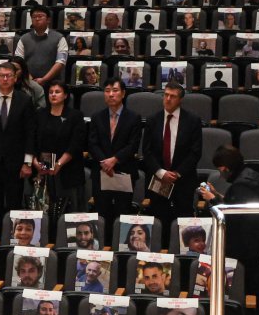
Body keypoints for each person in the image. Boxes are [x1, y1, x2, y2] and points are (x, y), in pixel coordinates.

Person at [198, 145, 259, 315]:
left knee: (252, 282)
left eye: (220, 169)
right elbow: (236, 203)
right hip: (257, 238)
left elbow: (232, 215)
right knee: (256, 280)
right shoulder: (251, 176)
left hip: (248, 242)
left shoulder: (240, 185)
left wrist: (211, 200)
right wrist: (218, 196)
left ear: (225, 168)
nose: (220, 172)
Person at [0, 63, 36, 230]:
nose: (5, 78)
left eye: (8, 75)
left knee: (14, 204)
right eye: (1, 75)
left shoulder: (25, 100)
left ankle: (12, 240)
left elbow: (30, 133)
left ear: (15, 78)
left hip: (16, 163)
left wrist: (27, 162)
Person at [143, 83, 203, 246]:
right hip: (159, 179)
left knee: (183, 219)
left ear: (180, 99)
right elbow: (146, 152)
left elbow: (195, 153)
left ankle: (183, 257)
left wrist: (177, 173)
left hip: (183, 180)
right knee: (159, 218)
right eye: (166, 95)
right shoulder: (153, 120)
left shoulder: (193, 121)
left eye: (173, 96)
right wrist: (161, 172)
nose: (168, 99)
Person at [87, 78, 143, 234]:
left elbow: (133, 145)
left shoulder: (134, 117)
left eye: (115, 90)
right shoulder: (97, 117)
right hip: (101, 171)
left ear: (123, 93)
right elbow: (92, 144)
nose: (111, 94)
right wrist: (105, 162)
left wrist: (114, 160)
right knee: (101, 214)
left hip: (124, 171)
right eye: (107, 91)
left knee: (122, 215)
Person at [34, 82, 85, 215]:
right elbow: (32, 141)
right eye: (51, 92)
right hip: (43, 171)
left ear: (65, 95)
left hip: (68, 170)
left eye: (57, 92)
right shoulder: (40, 114)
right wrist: (35, 162)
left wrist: (59, 163)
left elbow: (76, 144)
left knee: (68, 212)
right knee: (44, 212)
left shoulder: (75, 115)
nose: (53, 95)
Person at [13, 7, 68, 88]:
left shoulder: (59, 38)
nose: (37, 19)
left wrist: (44, 79)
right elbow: (18, 62)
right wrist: (31, 81)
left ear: (48, 20)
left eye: (40, 16)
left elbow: (61, 62)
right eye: (34, 17)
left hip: (52, 85)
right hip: (28, 84)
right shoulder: (24, 38)